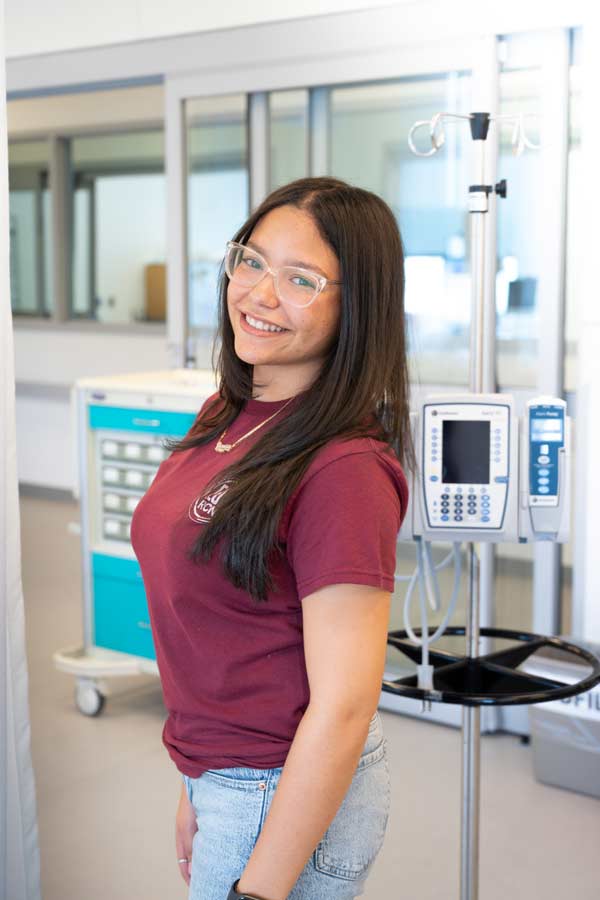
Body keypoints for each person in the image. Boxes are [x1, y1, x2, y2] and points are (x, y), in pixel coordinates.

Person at [130, 176, 414, 900]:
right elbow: (225, 633)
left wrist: (258, 889)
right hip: (229, 774)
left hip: (280, 785)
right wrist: (197, 780)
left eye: (301, 279)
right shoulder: (230, 410)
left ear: (359, 304)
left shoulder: (343, 468)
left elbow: (345, 704)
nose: (258, 294)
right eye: (251, 261)